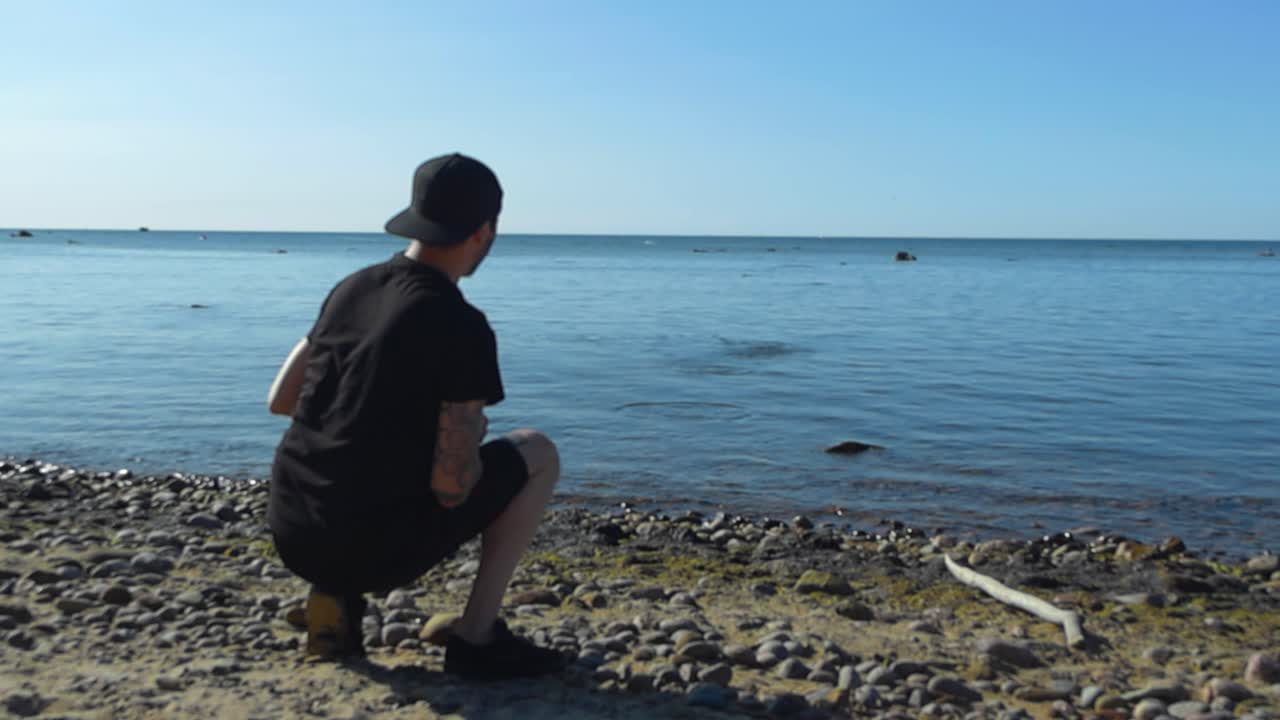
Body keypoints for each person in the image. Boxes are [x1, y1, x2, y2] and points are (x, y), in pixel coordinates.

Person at [265, 153, 563, 678]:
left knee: (358, 461)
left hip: (293, 528)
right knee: (537, 453)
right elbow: (452, 487)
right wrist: (469, 444)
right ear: (485, 229)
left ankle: (334, 596)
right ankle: (476, 638)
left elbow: (282, 400)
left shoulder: (352, 288)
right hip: (373, 551)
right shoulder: (460, 323)